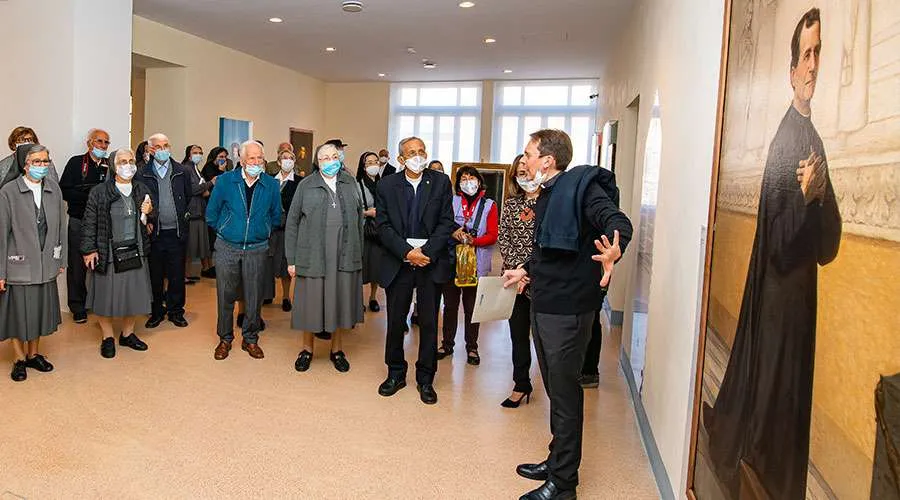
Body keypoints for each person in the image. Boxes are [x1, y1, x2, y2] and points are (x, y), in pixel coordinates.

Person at [702, 9, 842, 499]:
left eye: (818, 53)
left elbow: (829, 245)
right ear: (791, 70)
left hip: (800, 304)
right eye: (806, 54)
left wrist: (817, 198)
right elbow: (781, 245)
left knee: (790, 396)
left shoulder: (813, 140)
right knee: (775, 399)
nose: (813, 65)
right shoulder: (787, 139)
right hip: (781, 304)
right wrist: (806, 198)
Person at [503, 129, 633, 500]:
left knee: (564, 395)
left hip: (568, 310)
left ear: (547, 160)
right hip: (545, 304)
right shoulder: (549, 192)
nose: (524, 161)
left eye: (529, 154)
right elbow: (548, 250)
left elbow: (618, 222)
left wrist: (614, 250)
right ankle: (556, 459)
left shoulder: (582, 188)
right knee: (554, 388)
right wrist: (525, 269)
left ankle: (563, 484)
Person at [375, 136, 454, 405]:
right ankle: (395, 373)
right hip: (399, 261)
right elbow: (383, 226)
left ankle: (426, 378)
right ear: (401, 159)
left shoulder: (440, 182)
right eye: (411, 153)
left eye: (421, 151)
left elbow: (446, 222)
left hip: (430, 262)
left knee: (429, 323)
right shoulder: (387, 185)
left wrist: (426, 252)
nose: (418, 156)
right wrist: (407, 252)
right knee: (396, 321)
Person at [285, 143, 364, 373]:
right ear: (317, 162)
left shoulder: (350, 183)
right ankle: (307, 349)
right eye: (325, 158)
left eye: (334, 157)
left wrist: (358, 254)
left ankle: (336, 350)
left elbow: (359, 219)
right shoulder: (306, 185)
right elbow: (292, 222)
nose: (330, 161)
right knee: (311, 303)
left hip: (344, 253)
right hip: (312, 254)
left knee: (339, 301)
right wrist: (291, 259)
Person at [205, 140, 281, 360]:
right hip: (227, 247)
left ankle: (250, 339)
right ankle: (225, 339)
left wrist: (263, 230)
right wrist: (226, 229)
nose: (256, 162)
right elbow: (212, 213)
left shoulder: (271, 184)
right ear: (242, 159)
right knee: (226, 295)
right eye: (251, 158)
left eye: (260, 158)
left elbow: (276, 215)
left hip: (257, 247)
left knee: (254, 296)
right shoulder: (226, 181)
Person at [0, 145, 66, 381]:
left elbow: (61, 227)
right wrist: (0, 272)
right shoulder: (9, 191)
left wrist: (61, 259)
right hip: (18, 264)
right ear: (25, 165)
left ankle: (33, 354)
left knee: (38, 311)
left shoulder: (53, 189)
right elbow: (1, 234)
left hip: (46, 262)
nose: (42, 166)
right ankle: (18, 359)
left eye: (45, 161)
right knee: (18, 314)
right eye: (36, 161)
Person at [82, 149, 154, 359]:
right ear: (114, 166)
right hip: (108, 252)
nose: (128, 165)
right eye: (122, 161)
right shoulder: (99, 191)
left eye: (131, 161)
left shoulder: (141, 188)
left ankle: (127, 334)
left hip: (136, 250)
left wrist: (150, 213)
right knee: (105, 297)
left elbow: (150, 218)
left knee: (133, 295)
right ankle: (107, 337)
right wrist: (89, 249)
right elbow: (89, 223)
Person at [438, 165, 498, 366]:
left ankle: (472, 347)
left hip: (475, 261)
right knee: (450, 305)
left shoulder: (489, 205)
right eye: (463, 179)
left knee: (472, 307)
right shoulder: (452, 201)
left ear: (479, 181)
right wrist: (455, 232)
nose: (468, 182)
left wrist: (474, 241)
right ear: (458, 183)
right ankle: (447, 344)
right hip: (452, 260)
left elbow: (492, 235)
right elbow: (443, 223)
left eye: (472, 178)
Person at [497, 154, 539, 408]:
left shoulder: (550, 203)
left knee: (545, 338)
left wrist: (528, 272)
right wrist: (517, 271)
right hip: (514, 281)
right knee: (519, 334)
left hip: (542, 278)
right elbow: (504, 239)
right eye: (520, 172)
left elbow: (548, 244)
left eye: (527, 170)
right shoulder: (511, 204)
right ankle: (521, 383)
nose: (525, 176)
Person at [140, 133, 193, 329]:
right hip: (155, 232)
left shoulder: (181, 171)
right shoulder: (142, 173)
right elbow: (140, 199)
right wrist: (148, 220)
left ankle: (176, 311)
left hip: (177, 232)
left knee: (177, 275)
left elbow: (188, 196)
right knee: (155, 275)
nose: (163, 150)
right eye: (158, 147)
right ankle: (156, 311)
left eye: (166, 145)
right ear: (151, 150)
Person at [59, 128, 111, 324]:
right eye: (99, 141)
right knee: (77, 265)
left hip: (103, 223)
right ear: (90, 143)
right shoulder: (76, 163)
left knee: (103, 263)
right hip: (79, 221)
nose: (103, 146)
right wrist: (90, 196)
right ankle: (77, 306)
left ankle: (99, 302)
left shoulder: (109, 165)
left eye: (106, 142)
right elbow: (64, 191)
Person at [268, 149, 300, 312]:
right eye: (284, 158)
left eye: (291, 158)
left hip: (289, 229)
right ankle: (267, 294)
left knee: (286, 263)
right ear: (279, 162)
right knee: (269, 261)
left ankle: (286, 296)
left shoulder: (300, 182)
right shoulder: (270, 181)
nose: (288, 161)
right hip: (270, 229)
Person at [356, 151, 386, 312]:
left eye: (376, 162)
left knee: (376, 266)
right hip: (362, 230)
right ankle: (358, 300)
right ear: (363, 166)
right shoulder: (357, 185)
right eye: (369, 162)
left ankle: (373, 297)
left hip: (379, 232)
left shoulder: (384, 185)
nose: (373, 165)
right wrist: (367, 213)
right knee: (362, 266)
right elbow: (352, 210)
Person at [182, 144, 213, 282]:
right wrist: (211, 183)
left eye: (200, 152)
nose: (198, 155)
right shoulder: (187, 169)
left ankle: (193, 272)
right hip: (191, 212)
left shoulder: (196, 169)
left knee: (199, 245)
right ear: (189, 155)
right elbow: (193, 189)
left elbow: (202, 190)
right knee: (189, 247)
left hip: (199, 211)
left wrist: (204, 189)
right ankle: (184, 275)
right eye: (195, 152)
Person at [200, 146, 230, 262]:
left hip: (222, 205)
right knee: (211, 236)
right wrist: (221, 171)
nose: (223, 159)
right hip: (211, 204)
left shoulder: (226, 167)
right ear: (214, 157)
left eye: (225, 157)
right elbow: (216, 185)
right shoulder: (209, 168)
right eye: (220, 157)